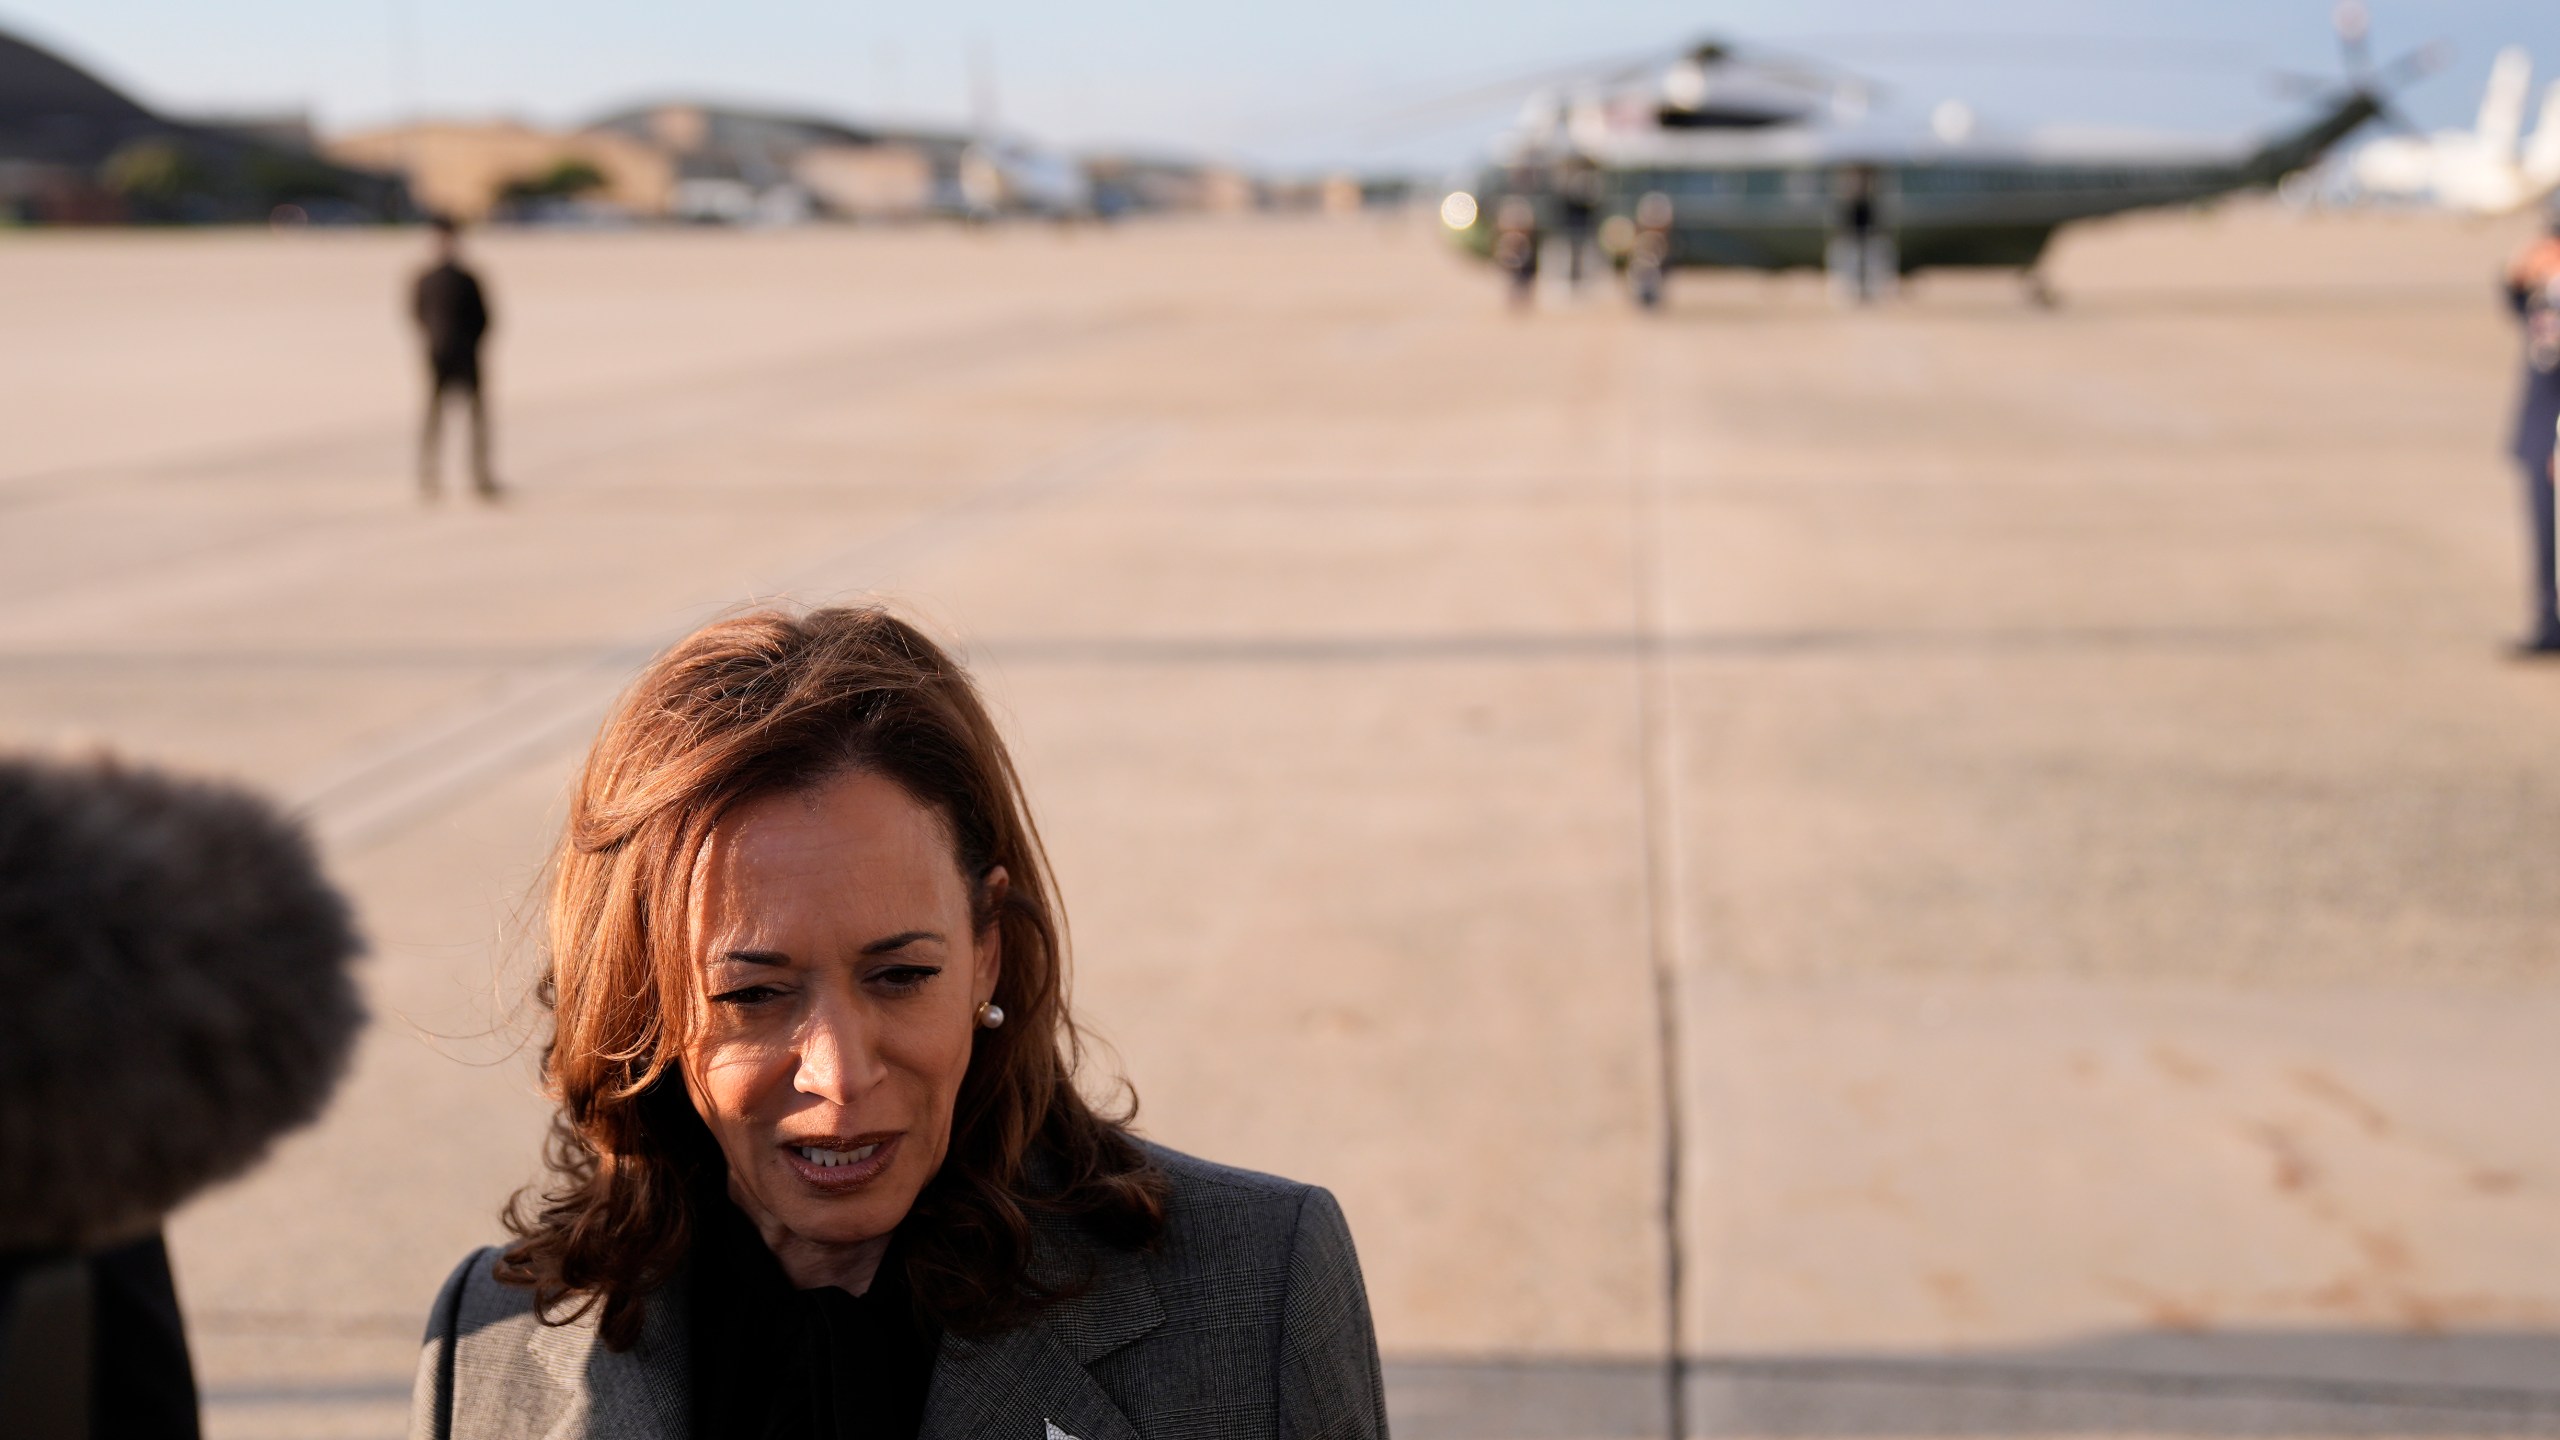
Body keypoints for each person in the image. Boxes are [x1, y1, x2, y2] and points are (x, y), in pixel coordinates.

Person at [407, 606, 1389, 1440]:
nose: (839, 1076)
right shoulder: (487, 1348)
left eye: (899, 975)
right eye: (753, 994)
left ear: (988, 951)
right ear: (645, 1001)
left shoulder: (1255, 1291)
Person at [2503, 208, 2560, 654]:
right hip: (2541, 427)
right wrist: (2519, 277)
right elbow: (2519, 311)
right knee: (2544, 539)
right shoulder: (2544, 281)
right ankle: (2548, 624)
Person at [412, 217, 499, 502]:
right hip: (438, 355)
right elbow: (417, 315)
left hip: (467, 355)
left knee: (477, 419)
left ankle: (480, 475)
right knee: (433, 418)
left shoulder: (468, 278)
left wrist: (470, 345)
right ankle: (429, 476)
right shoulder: (425, 278)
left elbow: (485, 318)